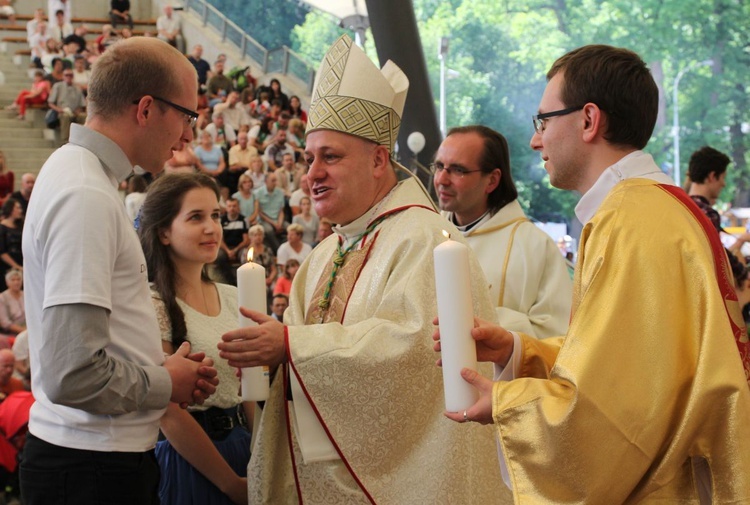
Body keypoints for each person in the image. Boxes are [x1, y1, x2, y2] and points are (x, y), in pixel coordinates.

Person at [440, 44, 750, 503]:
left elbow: (610, 419)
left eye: (543, 121)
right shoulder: (655, 207)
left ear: (588, 120)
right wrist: (518, 350)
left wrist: (507, 406)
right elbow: (627, 365)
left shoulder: (628, 220)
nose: (535, 140)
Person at [218, 34, 505, 504]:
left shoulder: (425, 239)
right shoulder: (324, 253)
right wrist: (260, 355)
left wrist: (291, 344)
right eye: (309, 158)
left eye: (330, 156)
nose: (311, 173)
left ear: (377, 159)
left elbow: (414, 354)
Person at [20, 37, 219, 505]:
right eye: (188, 116)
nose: (190, 135)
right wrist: (168, 382)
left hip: (90, 459)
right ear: (146, 109)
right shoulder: (85, 193)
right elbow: (74, 373)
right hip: (90, 465)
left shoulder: (78, 174)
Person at [139, 173, 249, 505]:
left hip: (242, 445)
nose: (212, 228)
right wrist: (230, 483)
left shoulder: (233, 296)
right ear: (164, 232)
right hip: (192, 458)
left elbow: (247, 388)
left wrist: (261, 453)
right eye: (196, 217)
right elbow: (168, 410)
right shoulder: (152, 302)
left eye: (215, 216)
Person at [434, 125, 572, 338]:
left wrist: (481, 319)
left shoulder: (535, 246)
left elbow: (555, 335)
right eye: (439, 166)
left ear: (492, 180)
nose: (442, 179)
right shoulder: (427, 233)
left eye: (458, 170)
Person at [47, 68, 87, 143]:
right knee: (65, 116)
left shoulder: (77, 88)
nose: (68, 77)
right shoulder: (58, 86)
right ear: (63, 76)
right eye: (66, 75)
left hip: (75, 112)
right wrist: (59, 109)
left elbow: (82, 104)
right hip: (62, 111)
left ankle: (83, 141)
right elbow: (50, 103)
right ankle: (65, 140)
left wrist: (78, 110)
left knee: (83, 116)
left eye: (70, 75)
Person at [0, 199, 24, 292]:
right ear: (10, 209)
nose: (20, 210)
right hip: (6, 267)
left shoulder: (20, 226)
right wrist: (17, 266)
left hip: (20, 263)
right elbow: (2, 252)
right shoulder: (2, 227)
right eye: (17, 208)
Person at [0, 270, 24, 348]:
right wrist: (24, 331)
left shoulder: (26, 294)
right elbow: (5, 323)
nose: (16, 282)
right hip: (11, 334)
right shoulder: (2, 297)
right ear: (7, 282)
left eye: (18, 279)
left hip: (28, 329)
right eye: (13, 280)